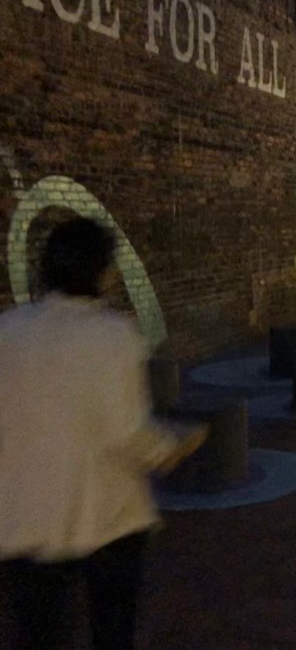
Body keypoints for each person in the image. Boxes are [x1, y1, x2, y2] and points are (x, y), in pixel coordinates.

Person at [0, 217, 206, 650]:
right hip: (107, 517)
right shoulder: (113, 335)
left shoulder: (8, 331)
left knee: (37, 635)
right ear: (101, 271)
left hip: (24, 519)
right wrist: (173, 444)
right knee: (113, 631)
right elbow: (126, 433)